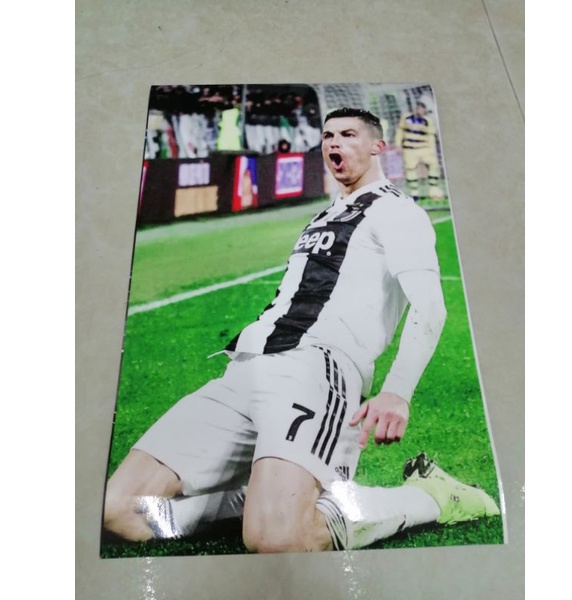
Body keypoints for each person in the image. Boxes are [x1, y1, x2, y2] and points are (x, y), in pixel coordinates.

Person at [103, 108, 499, 552]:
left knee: (279, 540)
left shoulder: (395, 209)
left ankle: (427, 498)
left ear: (377, 146)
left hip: (316, 370)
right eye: (328, 135)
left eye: (348, 134)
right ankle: (266, 498)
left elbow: (430, 305)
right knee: (120, 509)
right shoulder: (323, 218)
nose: (334, 143)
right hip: (245, 370)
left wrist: (397, 391)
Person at [395, 95, 445, 201]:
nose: (419, 110)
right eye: (417, 108)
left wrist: (432, 150)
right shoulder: (406, 118)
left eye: (422, 108)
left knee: (433, 166)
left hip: (424, 148)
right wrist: (398, 144)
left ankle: (434, 189)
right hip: (409, 149)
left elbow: (431, 135)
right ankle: (414, 194)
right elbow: (400, 131)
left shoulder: (427, 121)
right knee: (410, 169)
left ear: (424, 110)